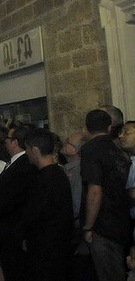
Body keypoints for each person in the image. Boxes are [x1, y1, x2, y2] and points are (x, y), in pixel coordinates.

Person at [81, 108, 130, 280]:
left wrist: (88, 226)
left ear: (86, 128)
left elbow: (95, 191)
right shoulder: (117, 150)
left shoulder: (90, 150)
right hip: (120, 221)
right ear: (110, 128)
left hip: (103, 226)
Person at [0, 123, 37, 281]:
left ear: (14, 142)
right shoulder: (17, 164)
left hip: (13, 232)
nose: (5, 142)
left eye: (7, 138)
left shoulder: (22, 166)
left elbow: (8, 197)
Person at [22, 128, 74, 280]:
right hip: (59, 245)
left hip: (45, 248)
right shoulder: (59, 174)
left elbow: (36, 213)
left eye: (27, 149)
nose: (26, 153)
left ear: (35, 150)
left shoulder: (44, 179)